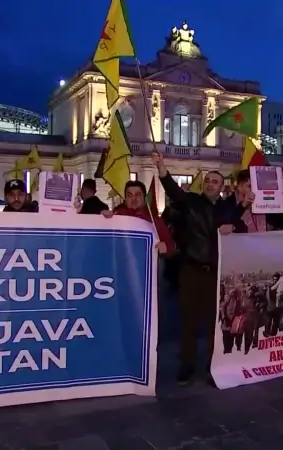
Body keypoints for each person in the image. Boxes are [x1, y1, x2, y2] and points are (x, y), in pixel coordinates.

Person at [152, 150, 234, 386]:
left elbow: (236, 224)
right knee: (188, 320)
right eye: (207, 180)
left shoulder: (225, 209)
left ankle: (212, 366)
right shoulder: (192, 202)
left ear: (221, 187)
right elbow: (174, 191)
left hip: (215, 272)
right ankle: (186, 366)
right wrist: (162, 169)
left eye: (214, 182)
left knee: (212, 323)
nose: (210, 184)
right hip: (191, 268)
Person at [101, 180, 175, 256]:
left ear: (144, 198)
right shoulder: (117, 217)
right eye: (129, 195)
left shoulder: (155, 221)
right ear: (125, 199)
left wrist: (166, 248)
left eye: (138, 194)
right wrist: (103, 219)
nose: (134, 198)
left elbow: (171, 247)